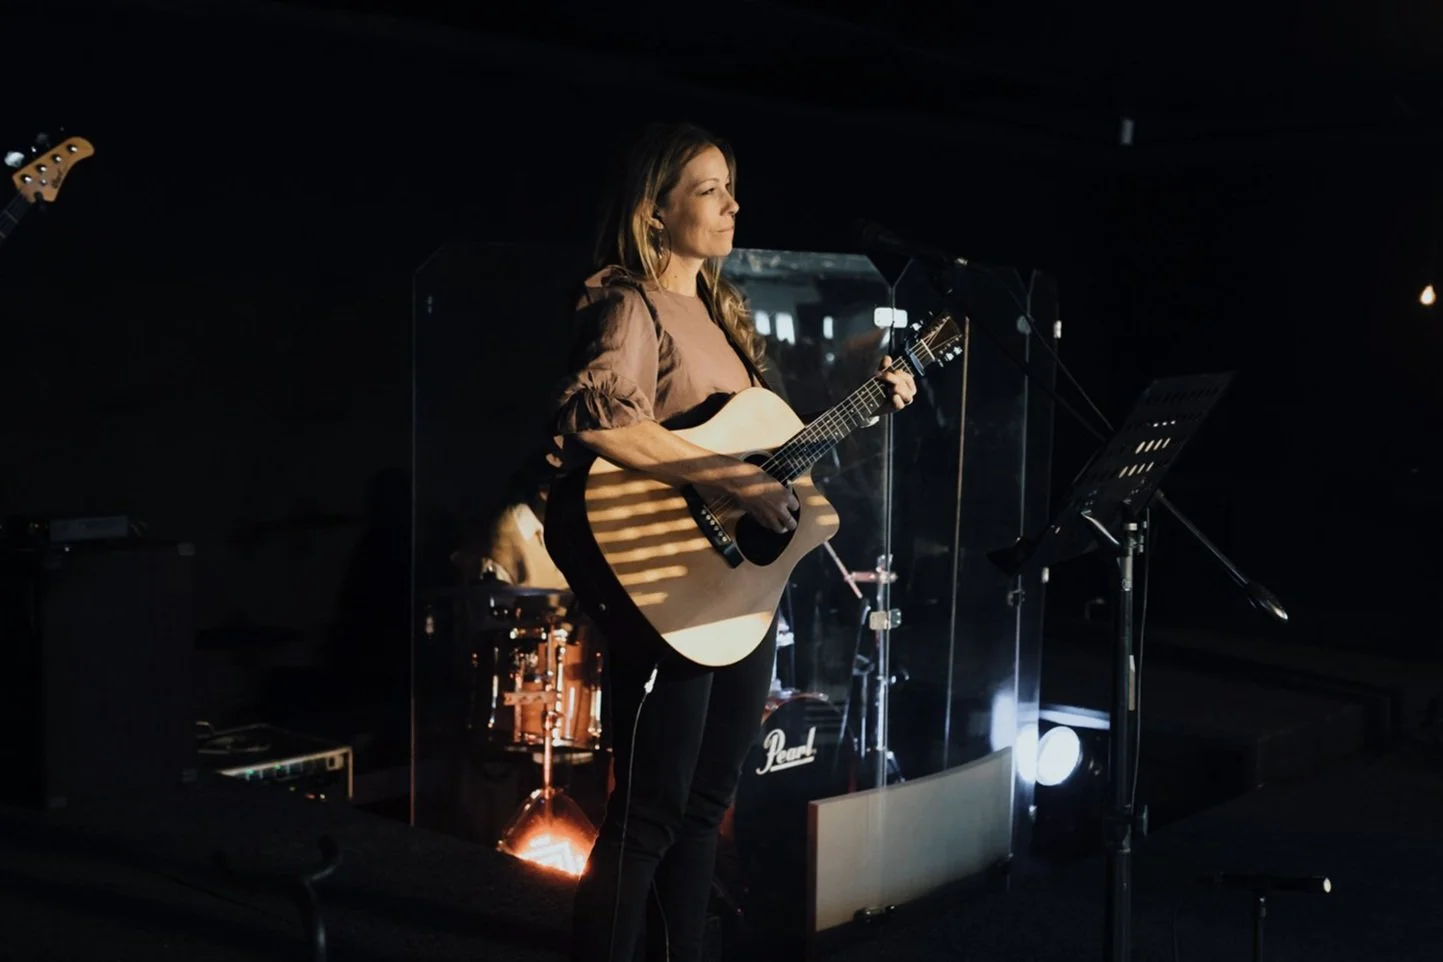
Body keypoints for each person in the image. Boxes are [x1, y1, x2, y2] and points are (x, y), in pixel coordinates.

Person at [544, 120, 916, 962]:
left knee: (706, 807)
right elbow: (598, 423)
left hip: (732, 592)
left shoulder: (718, 311)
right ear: (653, 211)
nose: (731, 205)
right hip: (665, 583)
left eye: (730, 188)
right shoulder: (628, 302)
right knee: (649, 812)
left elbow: (762, 454)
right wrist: (729, 481)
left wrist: (865, 407)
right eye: (708, 190)